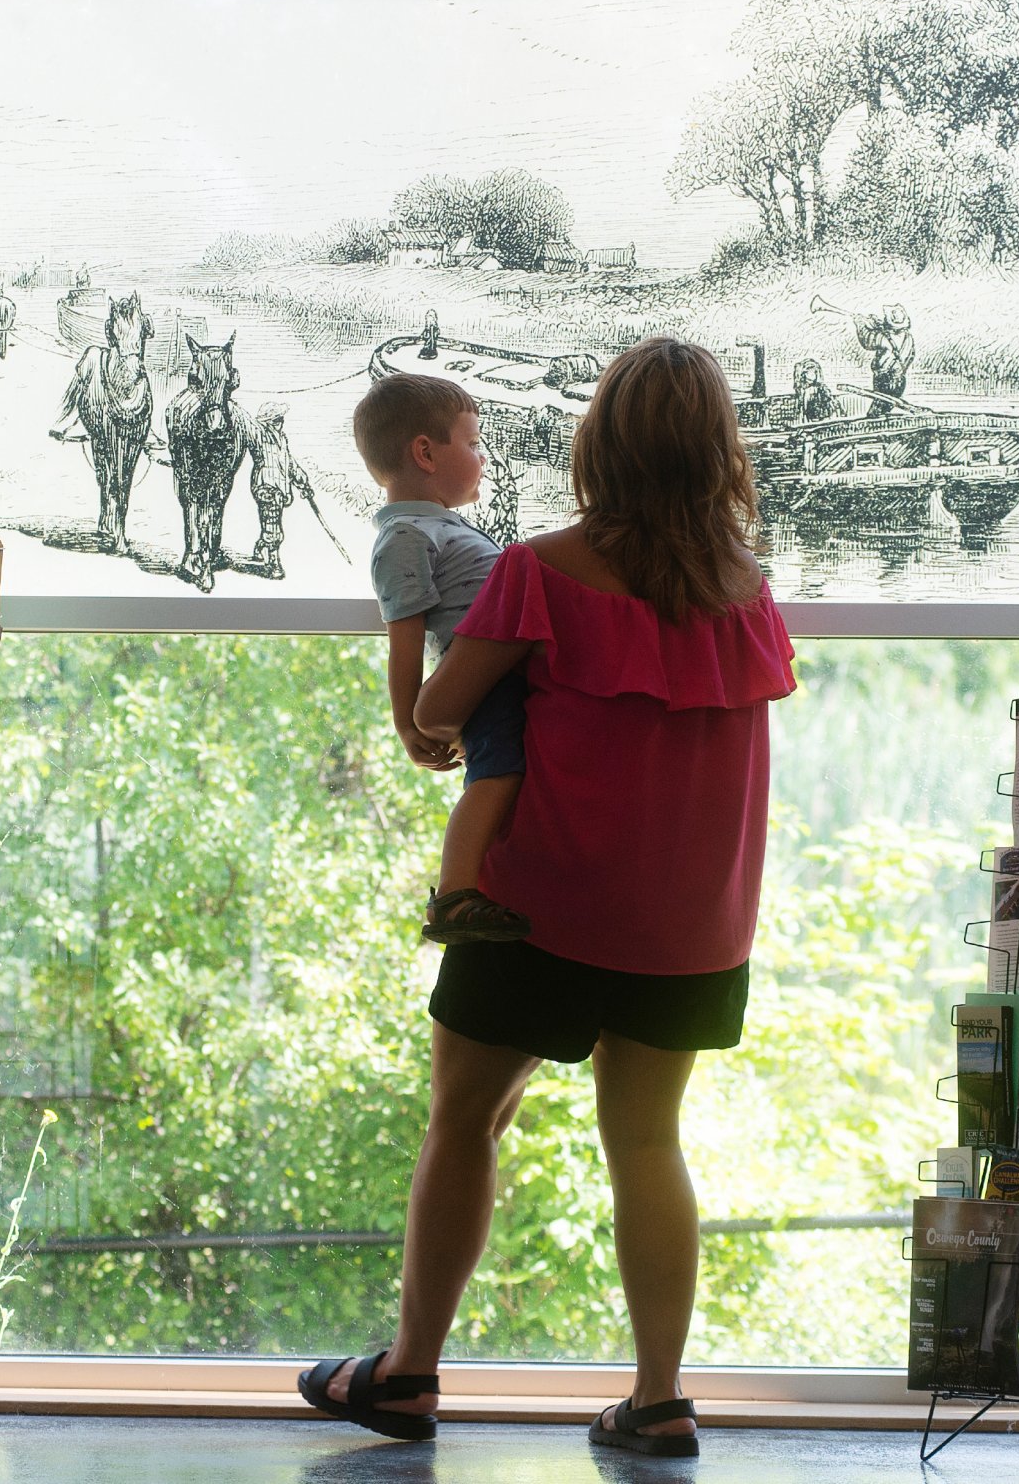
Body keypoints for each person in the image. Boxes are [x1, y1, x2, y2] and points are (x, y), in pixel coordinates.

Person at [299, 337, 795, 1459]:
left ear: (598, 444)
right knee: (648, 1147)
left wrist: (425, 710)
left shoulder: (538, 568)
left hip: (541, 908)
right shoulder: (749, 591)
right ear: (720, 451)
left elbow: (436, 712)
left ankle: (407, 1375)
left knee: (464, 1123)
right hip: (691, 926)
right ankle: (659, 1399)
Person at [350, 372, 532, 946]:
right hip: (486, 682)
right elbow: (404, 641)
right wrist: (409, 724)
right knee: (497, 773)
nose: (483, 456)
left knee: (506, 771)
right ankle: (454, 895)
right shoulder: (405, 536)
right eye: (474, 442)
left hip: (503, 675)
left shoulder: (439, 527)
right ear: (425, 453)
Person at [243, 403, 308, 581]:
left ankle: (260, 545)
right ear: (269, 420)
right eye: (277, 418)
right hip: (265, 486)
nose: (281, 421)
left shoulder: (282, 438)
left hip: (280, 488)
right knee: (273, 525)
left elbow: (289, 463)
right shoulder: (258, 435)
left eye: (281, 417)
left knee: (271, 522)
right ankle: (273, 562)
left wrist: (303, 482)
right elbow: (248, 427)